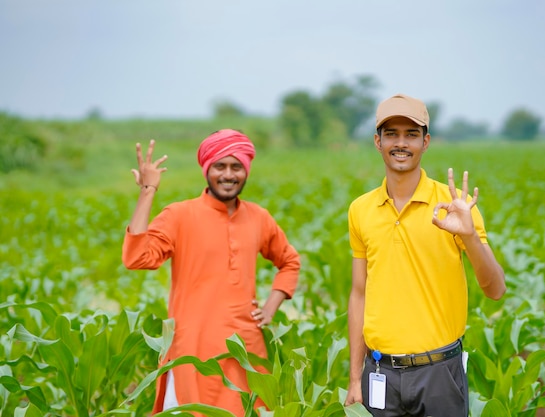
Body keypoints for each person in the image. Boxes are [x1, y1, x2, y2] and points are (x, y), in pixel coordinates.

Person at [344, 94, 506, 416]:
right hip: (380, 374)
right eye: (391, 134)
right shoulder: (360, 209)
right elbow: (359, 293)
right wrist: (354, 377)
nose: (400, 143)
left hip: (439, 374)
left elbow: (495, 289)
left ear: (426, 141)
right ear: (378, 141)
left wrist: (469, 235)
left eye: (411, 134)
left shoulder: (454, 205)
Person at [122, 129, 300, 416]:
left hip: (245, 351)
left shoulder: (258, 217)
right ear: (207, 169)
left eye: (236, 167)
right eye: (220, 166)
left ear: (246, 171)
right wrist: (147, 191)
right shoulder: (180, 215)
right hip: (192, 350)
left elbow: (289, 261)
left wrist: (270, 307)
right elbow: (137, 257)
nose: (228, 175)